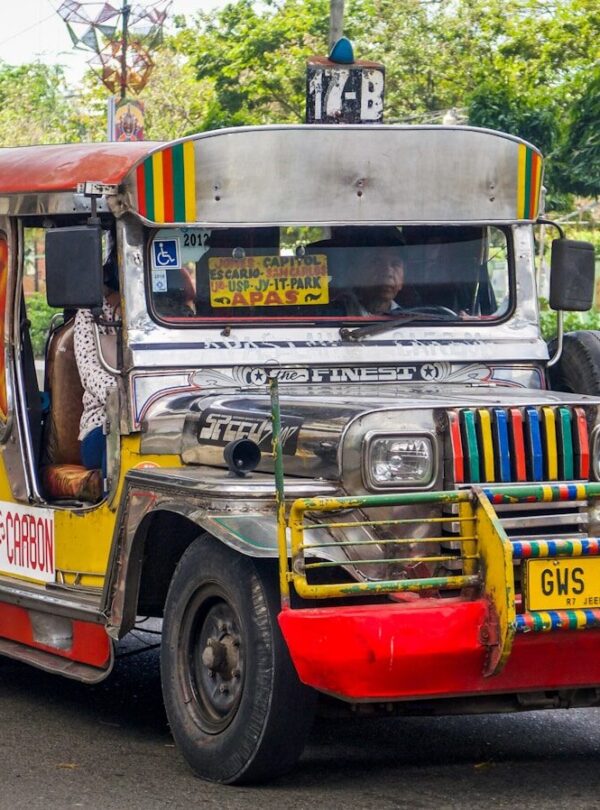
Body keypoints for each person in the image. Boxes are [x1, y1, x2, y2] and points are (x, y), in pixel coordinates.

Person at [73, 250, 121, 479]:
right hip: (103, 422)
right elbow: (89, 371)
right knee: (117, 443)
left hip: (161, 421)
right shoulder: (91, 313)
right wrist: (124, 400)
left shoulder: (163, 312)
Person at [344, 245, 405, 316]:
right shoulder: (333, 313)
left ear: (403, 279)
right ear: (354, 272)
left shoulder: (412, 317)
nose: (388, 272)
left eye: (395, 264)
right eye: (377, 263)